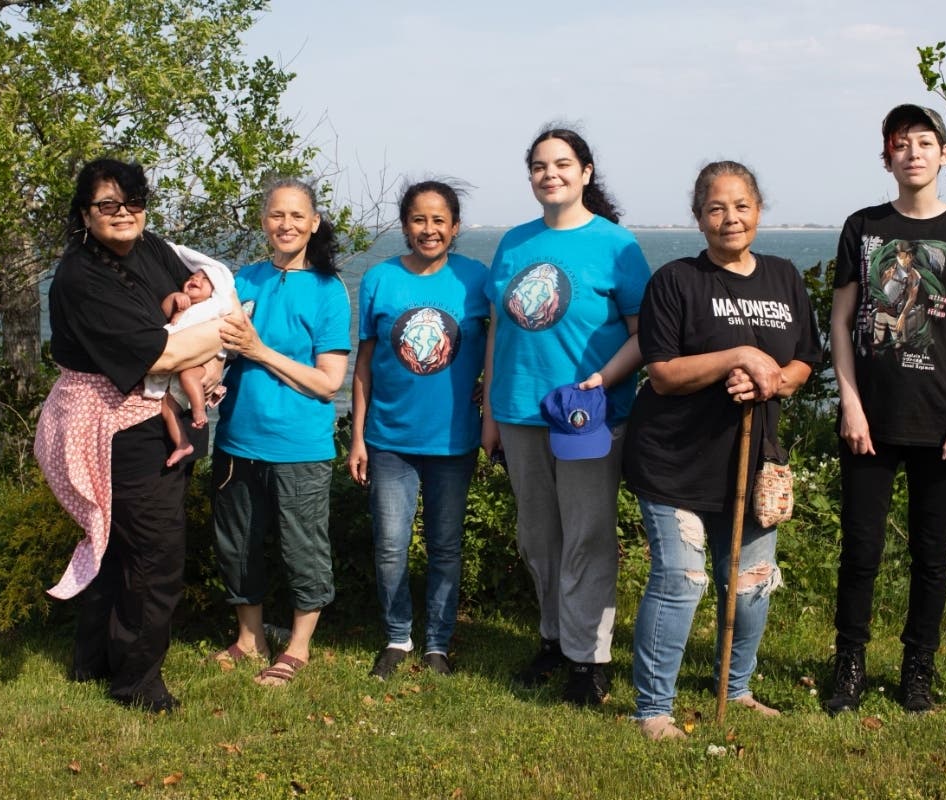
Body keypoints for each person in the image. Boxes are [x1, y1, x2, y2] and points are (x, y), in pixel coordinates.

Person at [623, 161, 821, 740]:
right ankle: (653, 710)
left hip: (751, 460)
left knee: (753, 580)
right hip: (672, 460)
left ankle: (736, 688)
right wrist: (737, 357)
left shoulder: (784, 277)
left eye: (740, 206)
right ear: (699, 217)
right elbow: (661, 373)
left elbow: (804, 359)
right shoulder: (676, 282)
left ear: (758, 210)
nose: (729, 218)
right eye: (716, 208)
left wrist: (774, 380)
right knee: (682, 580)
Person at [825, 104, 946, 715]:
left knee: (932, 555)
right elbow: (842, 321)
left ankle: (917, 671)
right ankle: (848, 666)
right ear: (887, 156)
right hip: (870, 422)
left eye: (924, 143)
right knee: (861, 552)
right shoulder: (863, 226)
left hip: (942, 421)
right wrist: (849, 405)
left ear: (943, 154)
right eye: (901, 144)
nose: (913, 153)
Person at [35, 158, 234, 712]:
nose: (123, 214)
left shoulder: (154, 250)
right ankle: (137, 681)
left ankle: (93, 660)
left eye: (133, 203)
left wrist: (214, 351)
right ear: (84, 213)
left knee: (120, 545)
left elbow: (193, 314)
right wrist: (230, 333)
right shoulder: (82, 276)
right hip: (112, 422)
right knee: (153, 552)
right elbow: (163, 351)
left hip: (153, 410)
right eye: (107, 205)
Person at [482, 127, 651, 706]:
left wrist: (601, 380)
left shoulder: (616, 245)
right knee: (539, 539)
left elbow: (642, 334)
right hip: (520, 412)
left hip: (587, 416)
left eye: (561, 164)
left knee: (588, 536)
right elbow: (498, 330)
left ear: (585, 172)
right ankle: (554, 639)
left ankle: (590, 658)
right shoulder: (513, 243)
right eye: (538, 166)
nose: (549, 174)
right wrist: (490, 411)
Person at [211, 177, 351, 687]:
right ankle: (250, 639)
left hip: (300, 447)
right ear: (263, 221)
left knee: (302, 548)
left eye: (297, 216)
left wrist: (260, 350)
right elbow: (217, 352)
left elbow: (329, 382)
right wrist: (209, 381)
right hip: (235, 440)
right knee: (237, 545)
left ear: (313, 224)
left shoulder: (329, 290)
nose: (286, 225)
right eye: (276, 215)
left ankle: (298, 647)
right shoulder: (241, 281)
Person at [347, 180, 488, 679]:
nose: (428, 230)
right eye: (418, 220)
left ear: (454, 227)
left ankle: (438, 643)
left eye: (438, 220)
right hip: (388, 441)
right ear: (405, 224)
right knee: (390, 544)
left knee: (446, 545)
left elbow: (502, 343)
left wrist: (489, 390)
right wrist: (357, 437)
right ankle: (397, 637)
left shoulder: (476, 278)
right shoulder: (380, 279)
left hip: (453, 440)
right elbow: (363, 361)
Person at [152, 267, 230, 467]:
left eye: (205, 279)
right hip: (175, 372)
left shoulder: (211, 308)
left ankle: (198, 410)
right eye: (193, 277)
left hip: (199, 365)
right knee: (167, 408)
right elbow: (165, 312)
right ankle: (182, 443)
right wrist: (174, 298)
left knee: (188, 376)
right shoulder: (184, 308)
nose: (196, 278)